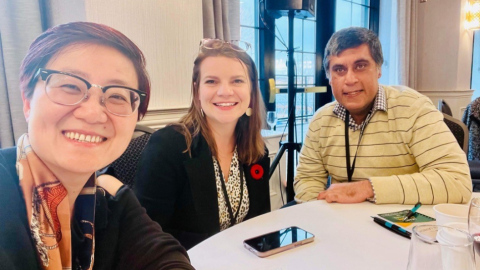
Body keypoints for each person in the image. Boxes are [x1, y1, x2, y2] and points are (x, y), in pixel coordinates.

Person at [0, 22, 194, 270]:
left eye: (117, 96)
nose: (93, 113)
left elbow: (164, 256)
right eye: (70, 86)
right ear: (27, 101)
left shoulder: (109, 202)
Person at [294, 27, 471, 205]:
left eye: (360, 66)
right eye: (339, 70)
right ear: (329, 77)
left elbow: (457, 182)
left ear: (378, 69)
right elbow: (307, 180)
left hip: (401, 226)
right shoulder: (320, 120)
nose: (350, 80)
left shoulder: (413, 108)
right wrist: (319, 213)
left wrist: (367, 188)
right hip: (342, 225)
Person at [135, 39, 270, 250]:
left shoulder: (257, 151)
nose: (225, 91)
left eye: (237, 81)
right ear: (197, 91)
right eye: (212, 81)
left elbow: (259, 225)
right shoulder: (167, 146)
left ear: (252, 90)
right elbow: (146, 236)